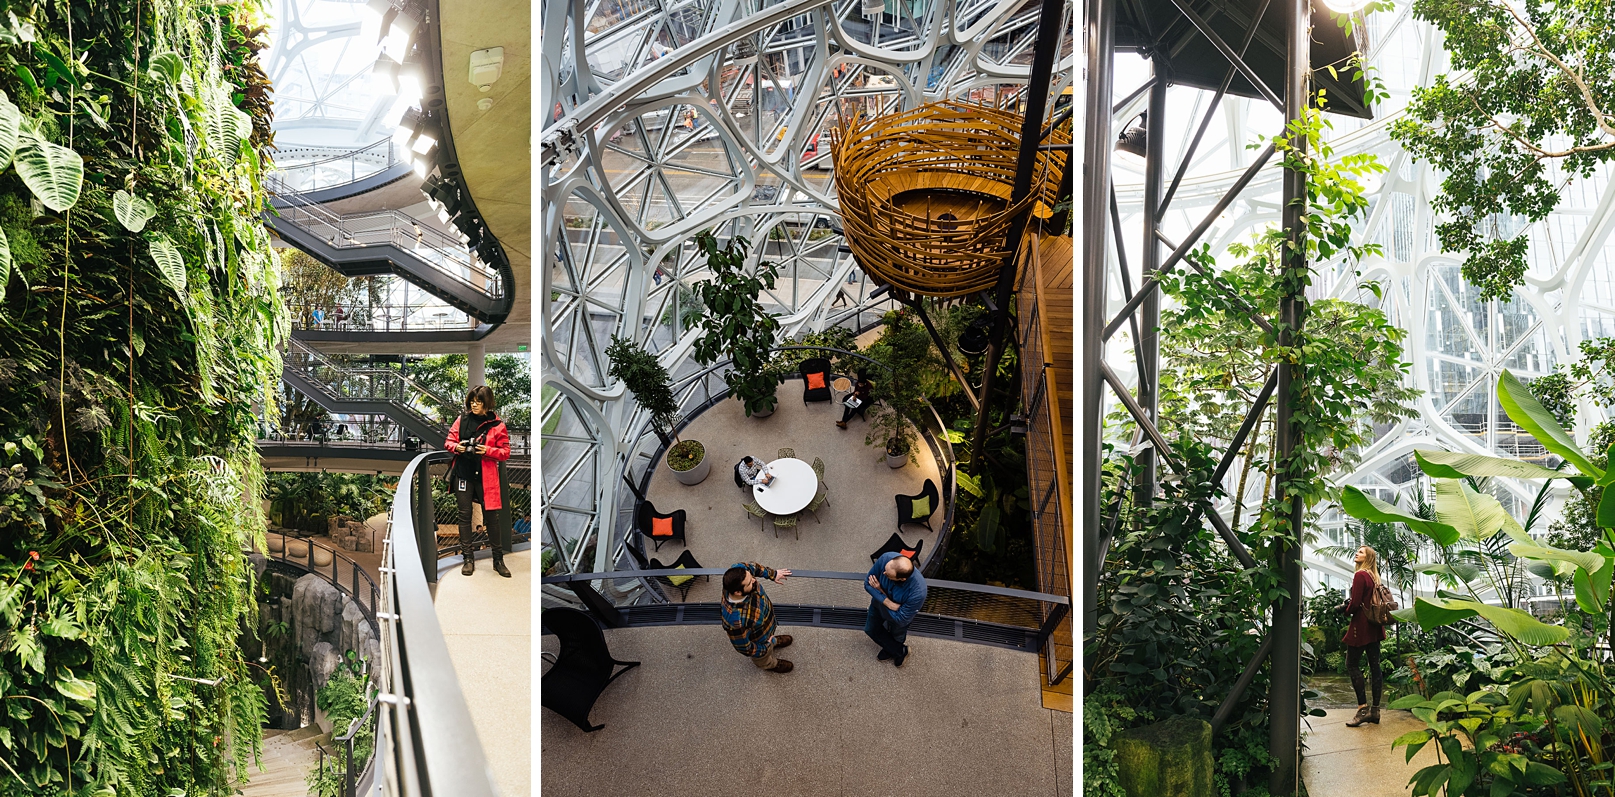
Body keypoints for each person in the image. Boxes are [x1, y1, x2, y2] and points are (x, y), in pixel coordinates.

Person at [446, 386, 513, 578]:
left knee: (492, 519)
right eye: (472, 402)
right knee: (464, 516)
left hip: (487, 476)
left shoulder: (497, 425)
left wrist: (488, 451)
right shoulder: (462, 420)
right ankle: (468, 558)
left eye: (478, 402)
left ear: (487, 403)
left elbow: (505, 452)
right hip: (463, 474)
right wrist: (457, 447)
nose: (474, 405)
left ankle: (498, 560)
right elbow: (448, 441)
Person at [1341, 545, 1387, 727]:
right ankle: (1375, 711)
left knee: (1351, 664)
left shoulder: (1360, 575)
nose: (1356, 553)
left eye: (1360, 552)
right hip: (1374, 626)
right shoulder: (1374, 576)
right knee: (1375, 666)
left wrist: (1344, 610)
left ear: (1367, 558)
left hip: (1361, 626)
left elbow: (1355, 605)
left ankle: (1362, 709)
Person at [720, 563, 795, 673]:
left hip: (766, 628)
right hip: (760, 641)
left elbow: (752, 567)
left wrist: (772, 574)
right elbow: (745, 648)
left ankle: (774, 641)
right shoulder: (735, 622)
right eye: (750, 582)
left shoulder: (738, 572)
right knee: (763, 660)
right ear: (738, 592)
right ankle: (772, 664)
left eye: (751, 577)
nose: (754, 581)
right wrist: (765, 647)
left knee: (770, 637)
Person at [863, 551, 927, 666]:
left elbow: (901, 619)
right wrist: (888, 602)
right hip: (877, 606)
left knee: (897, 636)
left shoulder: (918, 592)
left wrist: (880, 591)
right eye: (885, 569)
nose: (883, 573)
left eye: (887, 575)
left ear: (901, 579)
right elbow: (867, 584)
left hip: (897, 621)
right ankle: (900, 651)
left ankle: (891, 649)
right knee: (870, 629)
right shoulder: (885, 559)